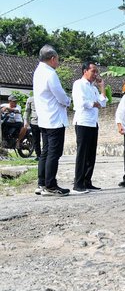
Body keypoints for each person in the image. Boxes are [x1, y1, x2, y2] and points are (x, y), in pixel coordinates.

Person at [33, 44, 71, 196]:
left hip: (44, 119)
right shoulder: (50, 73)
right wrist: (68, 101)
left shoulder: (38, 71)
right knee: (54, 153)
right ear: (53, 58)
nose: (58, 63)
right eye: (58, 60)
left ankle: (41, 183)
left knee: (46, 152)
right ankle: (51, 185)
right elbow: (60, 96)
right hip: (54, 119)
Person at [71, 62, 107, 193]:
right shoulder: (78, 84)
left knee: (91, 154)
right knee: (82, 154)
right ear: (85, 71)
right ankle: (78, 183)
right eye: (93, 71)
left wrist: (102, 87)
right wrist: (93, 103)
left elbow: (103, 103)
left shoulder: (94, 88)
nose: (95, 74)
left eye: (96, 72)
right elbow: (80, 102)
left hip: (93, 122)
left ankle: (87, 181)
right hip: (82, 122)